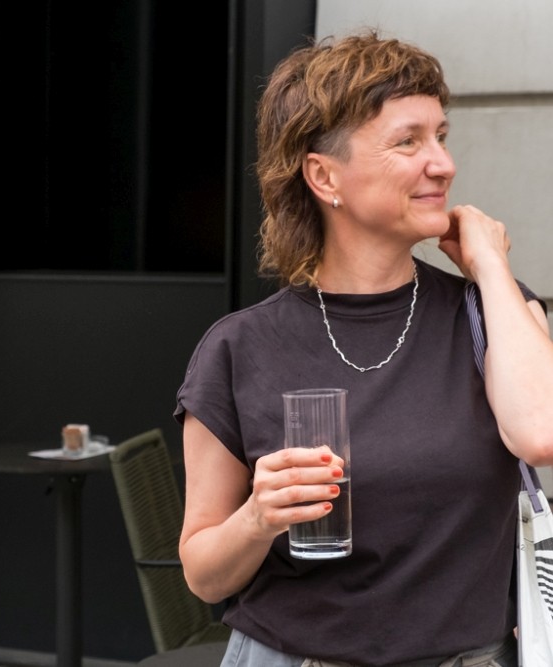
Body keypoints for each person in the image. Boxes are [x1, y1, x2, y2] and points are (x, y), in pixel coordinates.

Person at [175, 32, 553, 666]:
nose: (443, 163)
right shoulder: (241, 347)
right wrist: (258, 518)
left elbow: (542, 435)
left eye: (441, 135)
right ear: (325, 176)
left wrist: (489, 265)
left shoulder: (495, 311)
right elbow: (203, 576)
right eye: (408, 141)